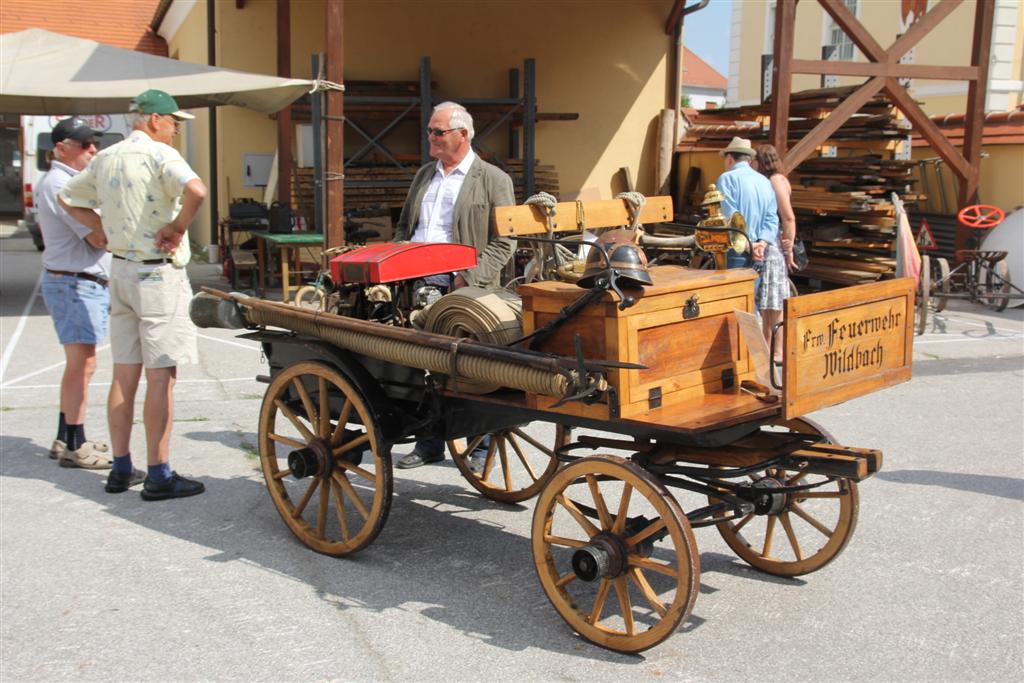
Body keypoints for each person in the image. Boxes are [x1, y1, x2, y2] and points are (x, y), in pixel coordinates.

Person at [60, 89, 208, 500]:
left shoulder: (107, 156)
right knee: (161, 378)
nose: (176, 130)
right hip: (157, 276)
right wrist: (178, 227)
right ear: (155, 119)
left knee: (125, 372)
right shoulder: (160, 154)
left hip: (121, 269)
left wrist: (98, 230)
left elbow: (66, 197)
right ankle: (159, 472)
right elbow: (197, 190)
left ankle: (122, 467)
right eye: (174, 122)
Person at [393, 101, 515, 471]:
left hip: (466, 285)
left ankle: (479, 448)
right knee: (422, 365)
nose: (430, 137)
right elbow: (403, 227)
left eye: (438, 131)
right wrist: (398, 259)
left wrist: (469, 276)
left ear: (463, 134)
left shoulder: (493, 179)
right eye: (430, 130)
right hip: (416, 281)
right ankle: (430, 442)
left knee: (476, 371)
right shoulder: (423, 176)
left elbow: (506, 241)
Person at [38, 118, 116, 471]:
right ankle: (74, 443)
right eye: (85, 144)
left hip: (75, 281)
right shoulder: (60, 185)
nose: (92, 150)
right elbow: (98, 238)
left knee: (78, 365)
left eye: (93, 143)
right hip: (74, 282)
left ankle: (65, 435)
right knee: (82, 365)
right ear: (61, 148)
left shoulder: (67, 181)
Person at [716, 137, 786, 356]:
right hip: (760, 250)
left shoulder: (727, 179)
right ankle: (756, 356)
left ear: (729, 158)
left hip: (738, 250)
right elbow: (772, 218)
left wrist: (748, 244)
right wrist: (761, 243)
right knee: (754, 302)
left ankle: (745, 356)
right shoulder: (764, 181)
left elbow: (730, 217)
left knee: (738, 304)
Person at [755, 144, 797, 364]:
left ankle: (774, 350)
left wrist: (788, 249)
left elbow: (788, 217)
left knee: (771, 301)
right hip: (776, 246)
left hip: (773, 247)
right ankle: (773, 349)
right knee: (773, 301)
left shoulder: (774, 181)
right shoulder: (782, 178)